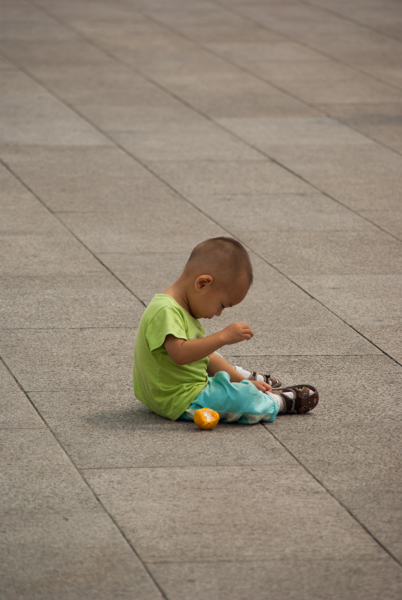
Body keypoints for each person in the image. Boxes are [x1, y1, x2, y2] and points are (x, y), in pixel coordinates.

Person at [133, 237, 319, 425]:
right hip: (179, 397)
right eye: (222, 305)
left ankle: (240, 376)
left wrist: (239, 381)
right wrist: (222, 337)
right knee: (240, 398)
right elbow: (180, 354)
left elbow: (206, 358)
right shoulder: (166, 311)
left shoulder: (179, 307)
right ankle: (275, 402)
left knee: (208, 353)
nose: (219, 313)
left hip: (171, 389)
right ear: (202, 284)